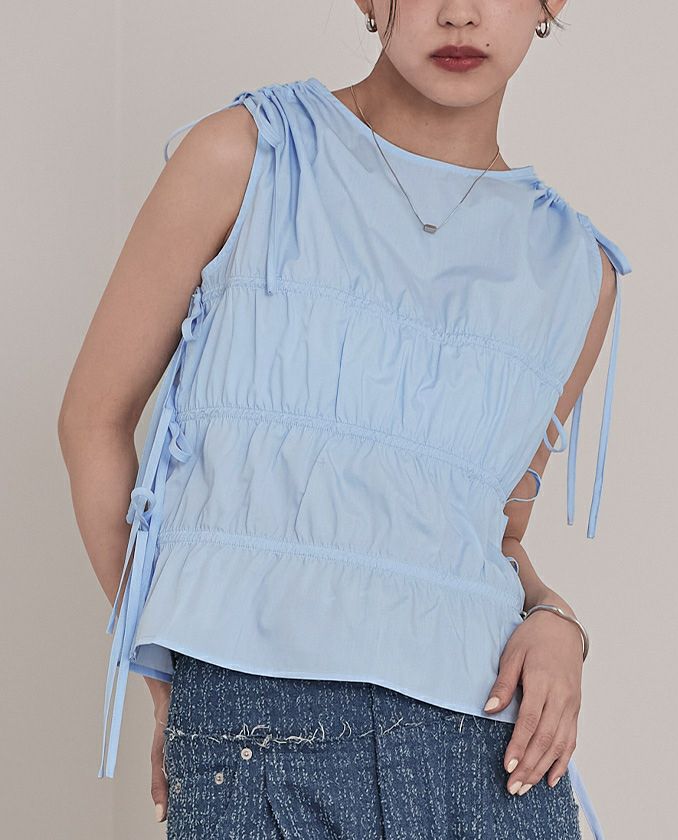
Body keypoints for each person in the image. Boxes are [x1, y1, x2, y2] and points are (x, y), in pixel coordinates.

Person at [58, 2, 633, 838]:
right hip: (254, 735)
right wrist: (174, 681)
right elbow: (93, 422)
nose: (460, 13)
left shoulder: (576, 272)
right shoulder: (249, 156)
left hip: (490, 757)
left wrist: (556, 623)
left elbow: (492, 535)